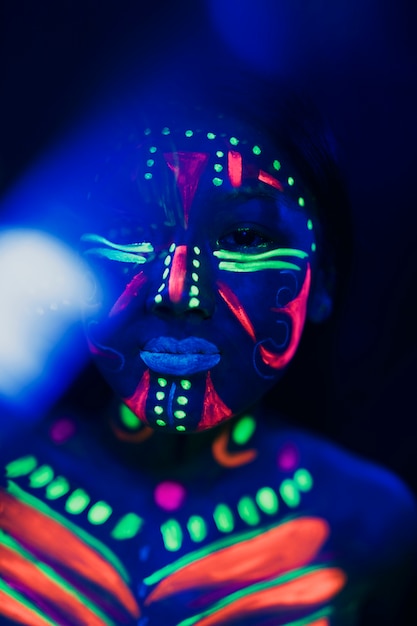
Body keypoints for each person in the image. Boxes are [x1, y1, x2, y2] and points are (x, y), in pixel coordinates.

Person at [0, 81, 416, 626]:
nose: (177, 291)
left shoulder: (368, 525)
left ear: (323, 282)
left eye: (243, 236)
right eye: (130, 230)